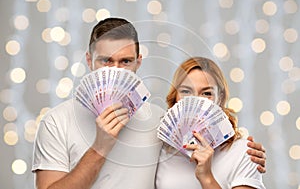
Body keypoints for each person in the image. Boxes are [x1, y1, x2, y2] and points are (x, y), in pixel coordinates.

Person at [32, 17, 266, 189]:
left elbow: (199, 134)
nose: (115, 70)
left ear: (138, 63)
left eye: (125, 61)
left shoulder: (158, 121)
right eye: (105, 61)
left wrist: (246, 152)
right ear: (89, 60)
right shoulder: (56, 121)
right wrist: (100, 148)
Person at [155, 57, 266, 189]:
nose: (196, 101)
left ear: (220, 99)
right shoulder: (158, 148)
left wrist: (206, 177)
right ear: (175, 98)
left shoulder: (244, 152)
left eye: (207, 93)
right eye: (186, 91)